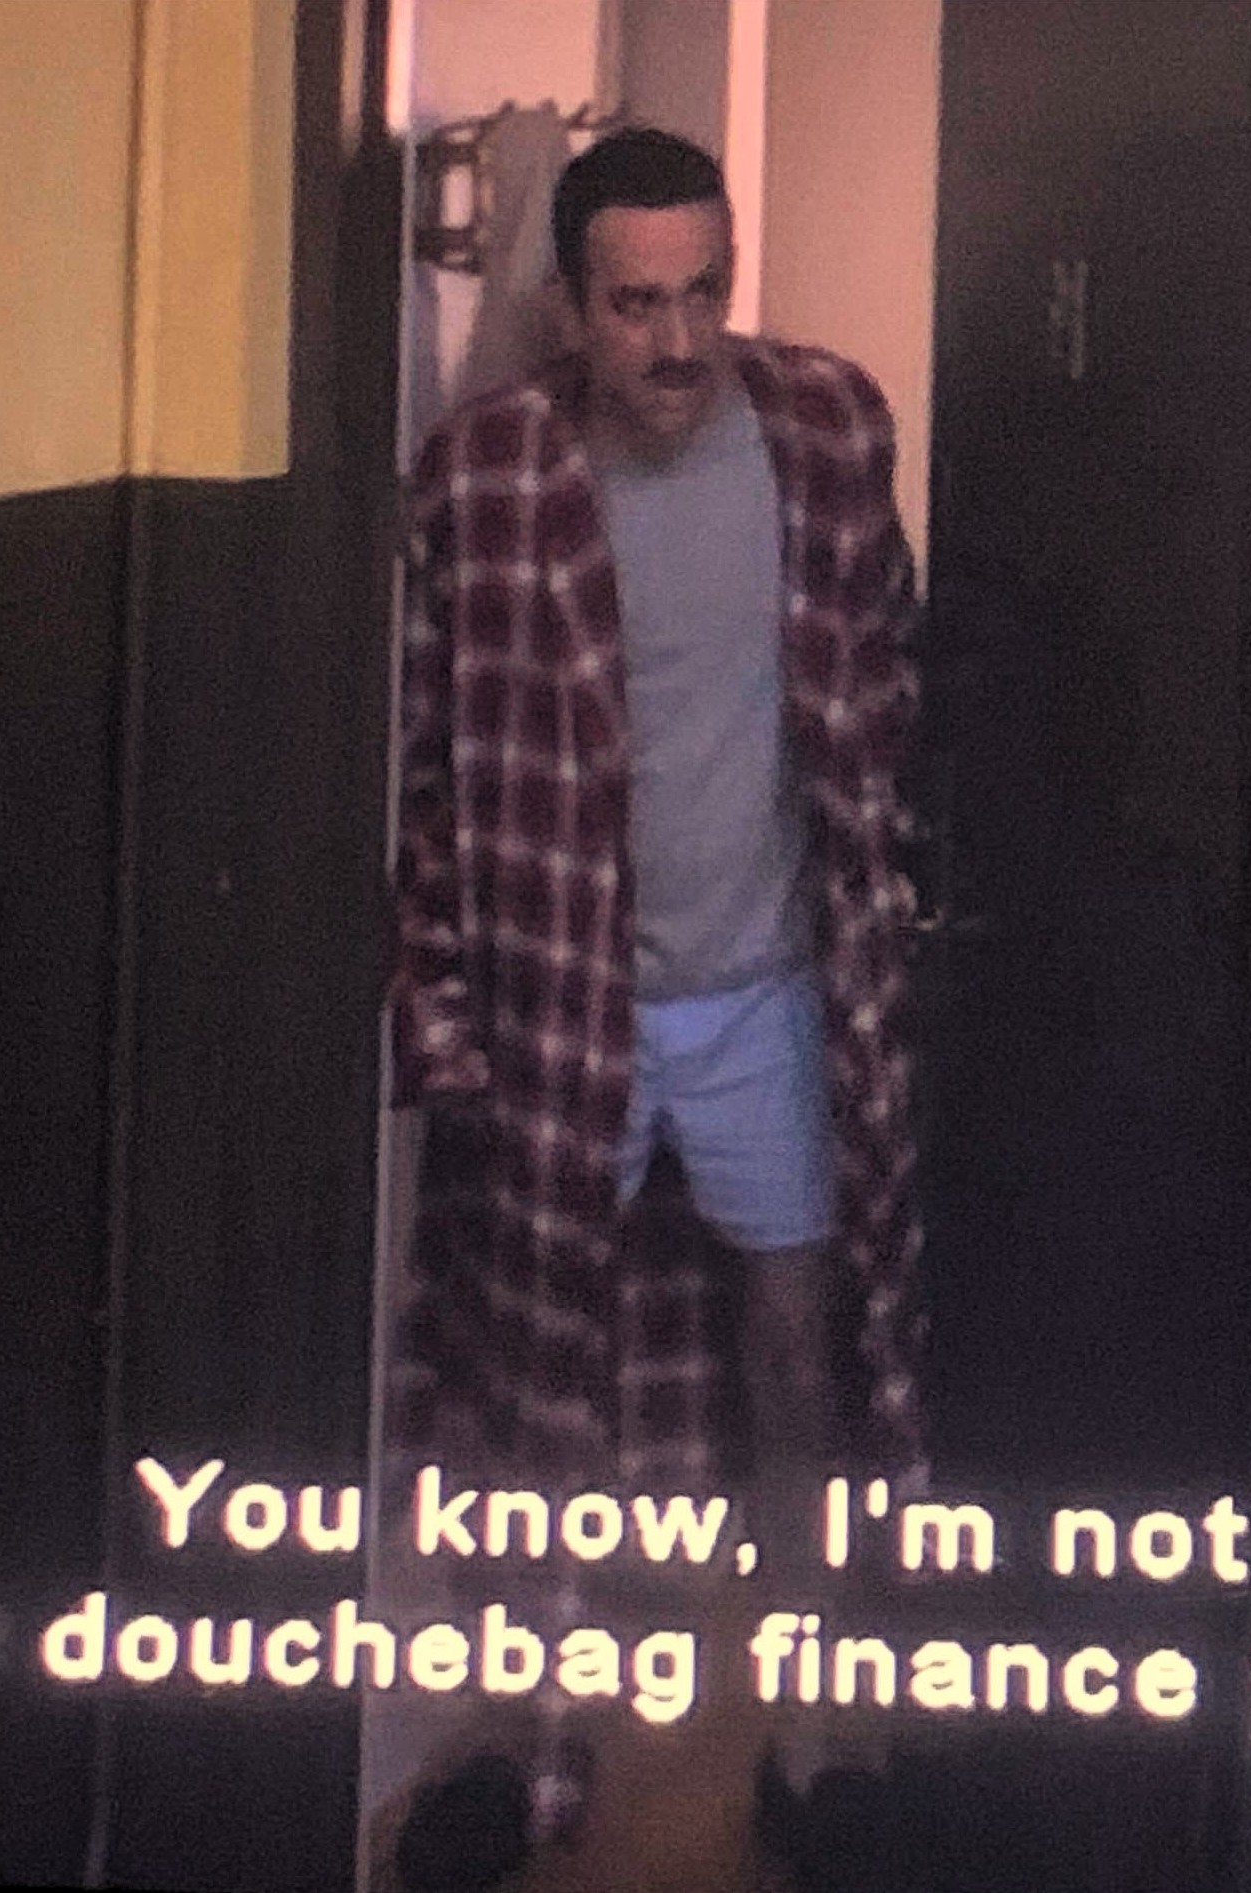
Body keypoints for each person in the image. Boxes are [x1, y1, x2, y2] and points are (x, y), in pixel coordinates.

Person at [390, 124, 927, 1526]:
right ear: (568, 310)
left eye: (705, 293)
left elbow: (891, 674)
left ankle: (803, 1636)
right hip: (567, 994)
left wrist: (894, 903)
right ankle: (543, 1638)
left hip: (774, 990)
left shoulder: (828, 429)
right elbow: (427, 765)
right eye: (637, 305)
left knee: (802, 1343)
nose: (681, 342)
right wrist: (441, 1020)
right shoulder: (484, 479)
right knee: (536, 1363)